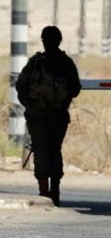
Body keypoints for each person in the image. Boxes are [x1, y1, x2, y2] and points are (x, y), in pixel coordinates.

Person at [16, 26, 81, 206]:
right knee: (54, 151)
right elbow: (75, 89)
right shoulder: (66, 62)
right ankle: (54, 192)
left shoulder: (36, 62)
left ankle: (44, 193)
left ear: (44, 40)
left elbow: (21, 86)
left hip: (38, 116)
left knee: (42, 151)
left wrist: (30, 105)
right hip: (57, 115)